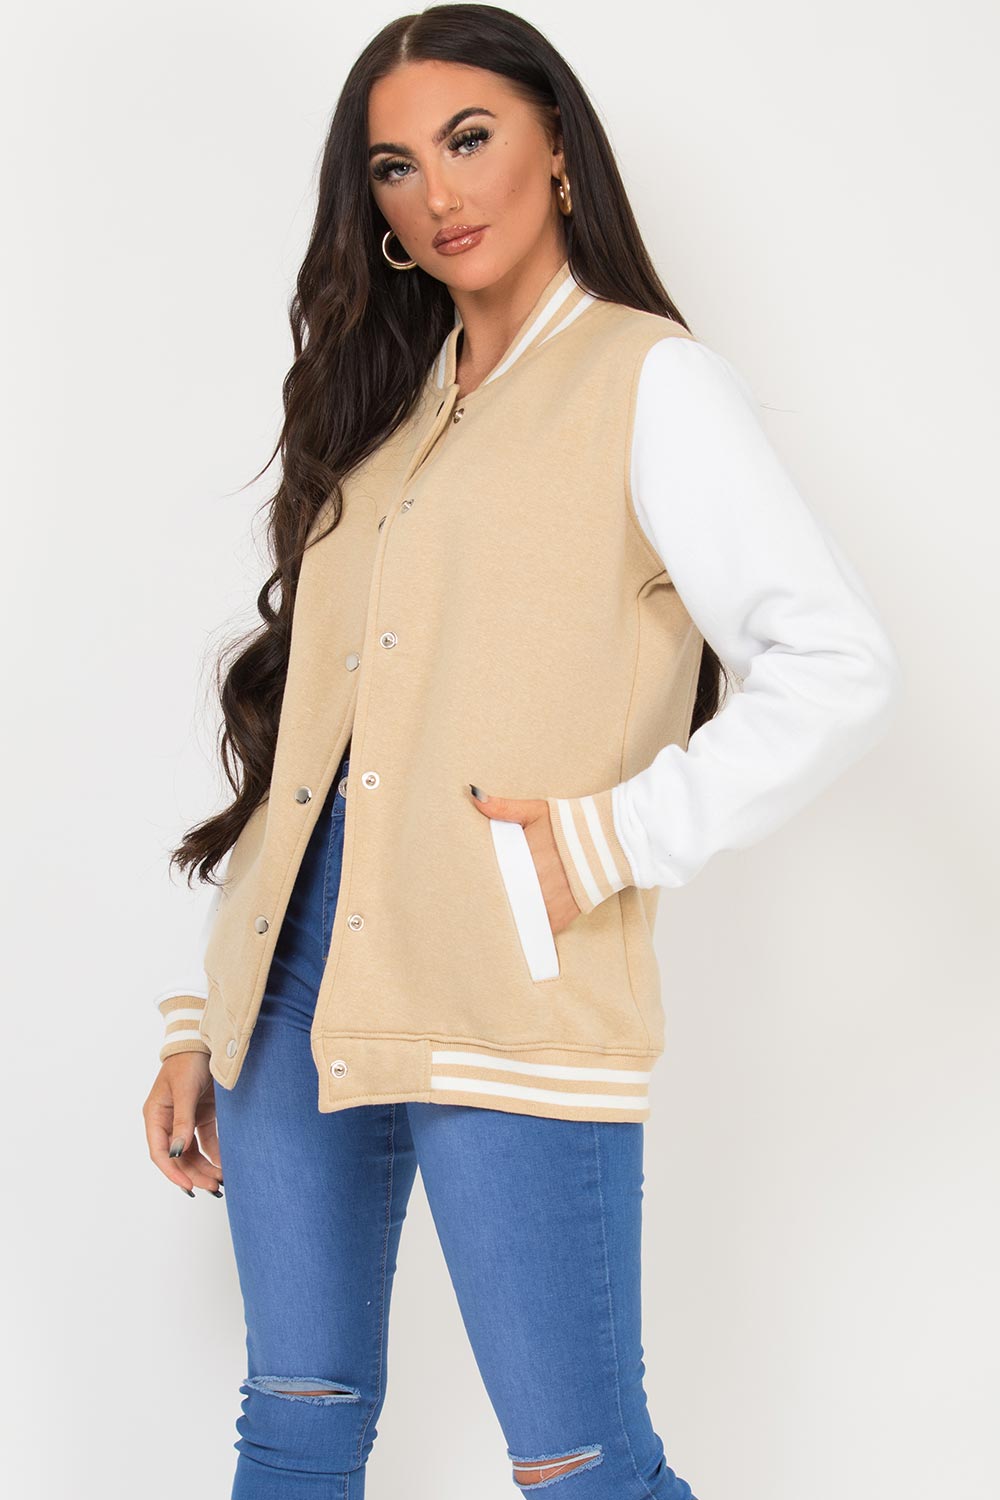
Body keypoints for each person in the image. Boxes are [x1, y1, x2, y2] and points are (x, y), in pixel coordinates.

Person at [142, 6, 902, 1496]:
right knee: (292, 1426)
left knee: (583, 1467)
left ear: (557, 147)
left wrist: (608, 841)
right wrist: (201, 1013)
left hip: (506, 982)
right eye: (395, 166)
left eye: (471, 138)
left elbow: (839, 664)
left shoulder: (647, 380)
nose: (439, 191)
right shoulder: (386, 416)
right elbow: (314, 748)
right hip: (290, 993)